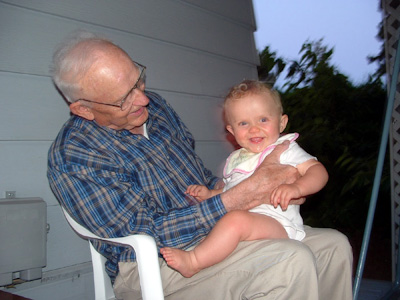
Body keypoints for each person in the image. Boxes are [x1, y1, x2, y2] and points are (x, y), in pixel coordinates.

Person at [47, 31, 353, 300]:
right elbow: (142, 233)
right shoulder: (75, 154)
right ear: (84, 109)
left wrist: (268, 187)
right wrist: (236, 198)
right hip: (155, 263)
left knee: (333, 246)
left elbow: (204, 177)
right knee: (289, 262)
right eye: (123, 99)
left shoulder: (158, 108)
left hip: (222, 230)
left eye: (138, 79)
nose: (143, 99)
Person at [160, 80, 329, 278]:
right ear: (232, 131)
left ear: (282, 122)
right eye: (243, 123)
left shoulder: (284, 148)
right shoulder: (236, 159)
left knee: (235, 221)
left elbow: (318, 172)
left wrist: (298, 188)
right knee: (233, 222)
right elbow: (233, 191)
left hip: (278, 223)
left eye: (263, 120)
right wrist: (210, 194)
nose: (254, 129)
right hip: (249, 225)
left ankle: (194, 261)